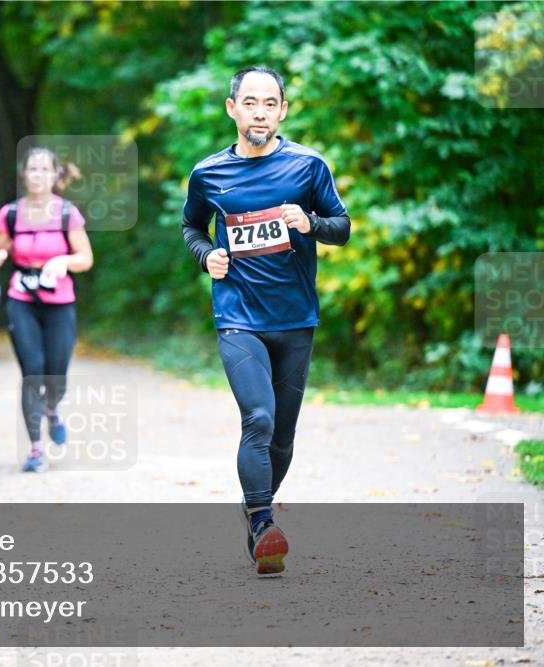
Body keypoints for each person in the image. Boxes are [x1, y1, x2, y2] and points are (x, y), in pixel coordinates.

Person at [181, 66, 351, 576]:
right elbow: (191, 225)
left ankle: (257, 504)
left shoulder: (308, 166)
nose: (260, 111)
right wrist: (206, 253)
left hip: (295, 317)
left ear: (282, 110)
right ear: (232, 108)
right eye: (249, 102)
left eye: (270, 103)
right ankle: (261, 521)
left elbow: (341, 228)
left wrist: (312, 223)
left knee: (282, 436)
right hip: (237, 316)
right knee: (258, 417)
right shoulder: (208, 174)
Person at [0, 148, 93, 473]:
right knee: (32, 371)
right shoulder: (10, 214)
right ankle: (35, 448)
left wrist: (63, 260)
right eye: (32, 169)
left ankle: (53, 408)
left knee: (57, 374)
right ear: (25, 175)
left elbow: (85, 258)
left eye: (43, 169)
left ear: (53, 175)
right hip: (22, 298)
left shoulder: (67, 213)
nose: (37, 175)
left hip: (59, 301)